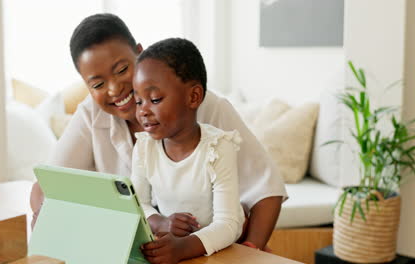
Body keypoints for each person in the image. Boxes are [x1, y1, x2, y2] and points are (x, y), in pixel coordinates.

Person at [30, 13, 287, 251]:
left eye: (122, 70)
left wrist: (251, 249)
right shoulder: (92, 114)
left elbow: (266, 186)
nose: (115, 88)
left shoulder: (202, 105)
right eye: (97, 84)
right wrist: (51, 217)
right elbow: (48, 184)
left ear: (140, 54)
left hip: (212, 247)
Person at [131, 38, 244, 263]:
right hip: (172, 248)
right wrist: (162, 223)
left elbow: (229, 224)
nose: (143, 110)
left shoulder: (218, 147)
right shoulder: (144, 148)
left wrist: (183, 248)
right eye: (138, 101)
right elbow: (138, 204)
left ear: (193, 96)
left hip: (217, 252)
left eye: (154, 99)